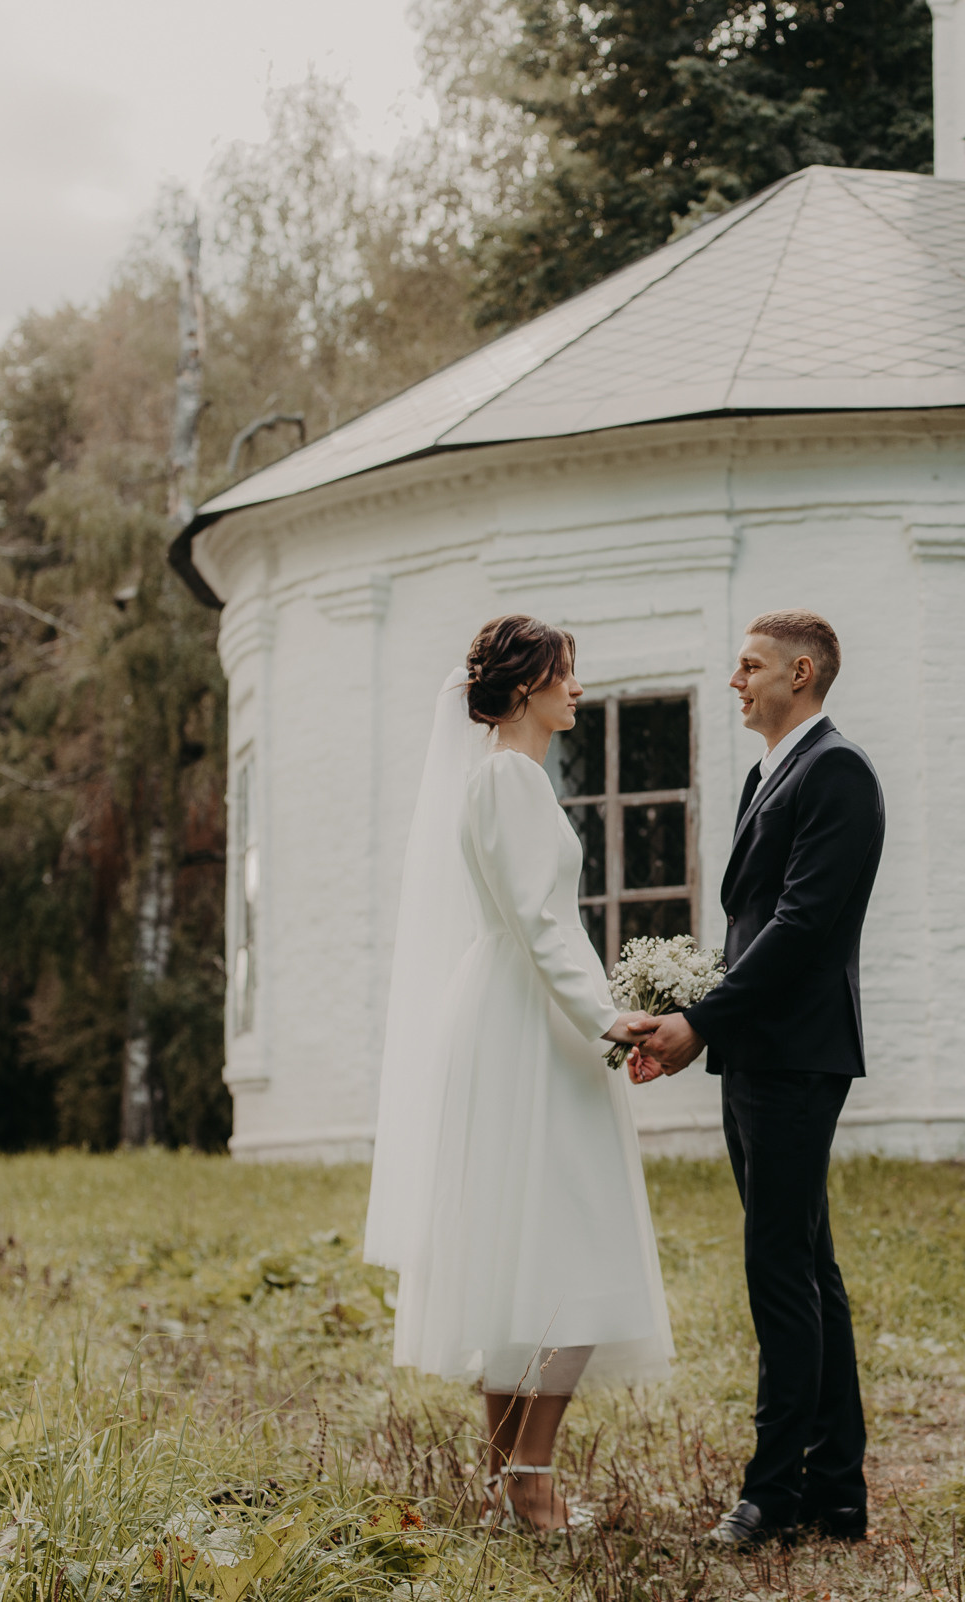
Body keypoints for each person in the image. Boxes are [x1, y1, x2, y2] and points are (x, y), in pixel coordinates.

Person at [364, 615, 672, 1532]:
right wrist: (610, 1018)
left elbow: (538, 925)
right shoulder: (513, 779)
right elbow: (544, 924)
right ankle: (530, 1479)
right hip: (534, 1023)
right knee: (575, 1245)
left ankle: (506, 1479)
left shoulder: (500, 778)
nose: (578, 689)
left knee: (519, 1247)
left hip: (513, 1010)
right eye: (567, 673)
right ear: (529, 685)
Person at [632, 609, 885, 1548]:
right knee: (807, 1267)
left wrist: (703, 1018)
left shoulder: (839, 772)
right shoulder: (762, 775)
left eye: (750, 666)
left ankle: (773, 1495)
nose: (734, 680)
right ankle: (839, 1490)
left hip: (797, 1053)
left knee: (779, 1270)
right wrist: (692, 1001)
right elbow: (750, 926)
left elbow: (804, 924)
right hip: (761, 1050)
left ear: (802, 672)